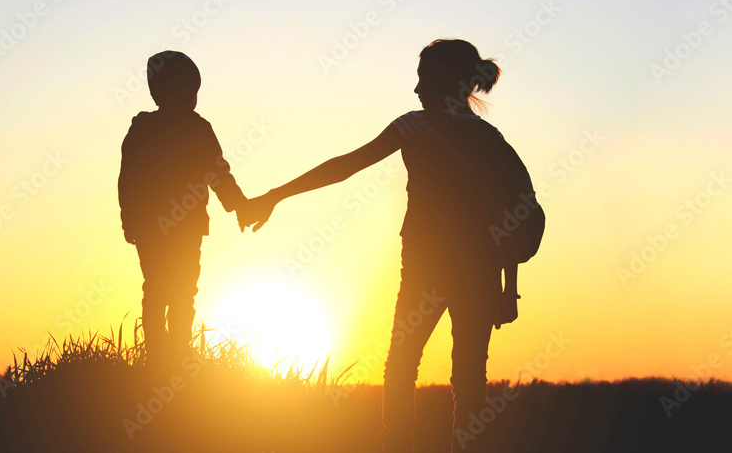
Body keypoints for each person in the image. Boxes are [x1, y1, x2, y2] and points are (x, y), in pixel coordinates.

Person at [245, 39, 538, 452]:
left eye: (423, 78)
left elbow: (345, 166)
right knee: (469, 377)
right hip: (481, 272)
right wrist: (509, 288)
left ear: (443, 82)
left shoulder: (414, 126)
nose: (416, 89)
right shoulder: (487, 135)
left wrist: (275, 194)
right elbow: (506, 213)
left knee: (401, 367)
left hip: (426, 267)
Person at [118, 50, 251, 365]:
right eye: (190, 91)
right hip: (179, 226)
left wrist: (130, 221)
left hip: (159, 227)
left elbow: (127, 181)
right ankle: (169, 356)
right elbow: (219, 174)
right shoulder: (194, 129)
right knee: (176, 290)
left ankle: (167, 356)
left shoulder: (146, 130)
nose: (193, 98)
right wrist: (239, 205)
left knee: (163, 289)